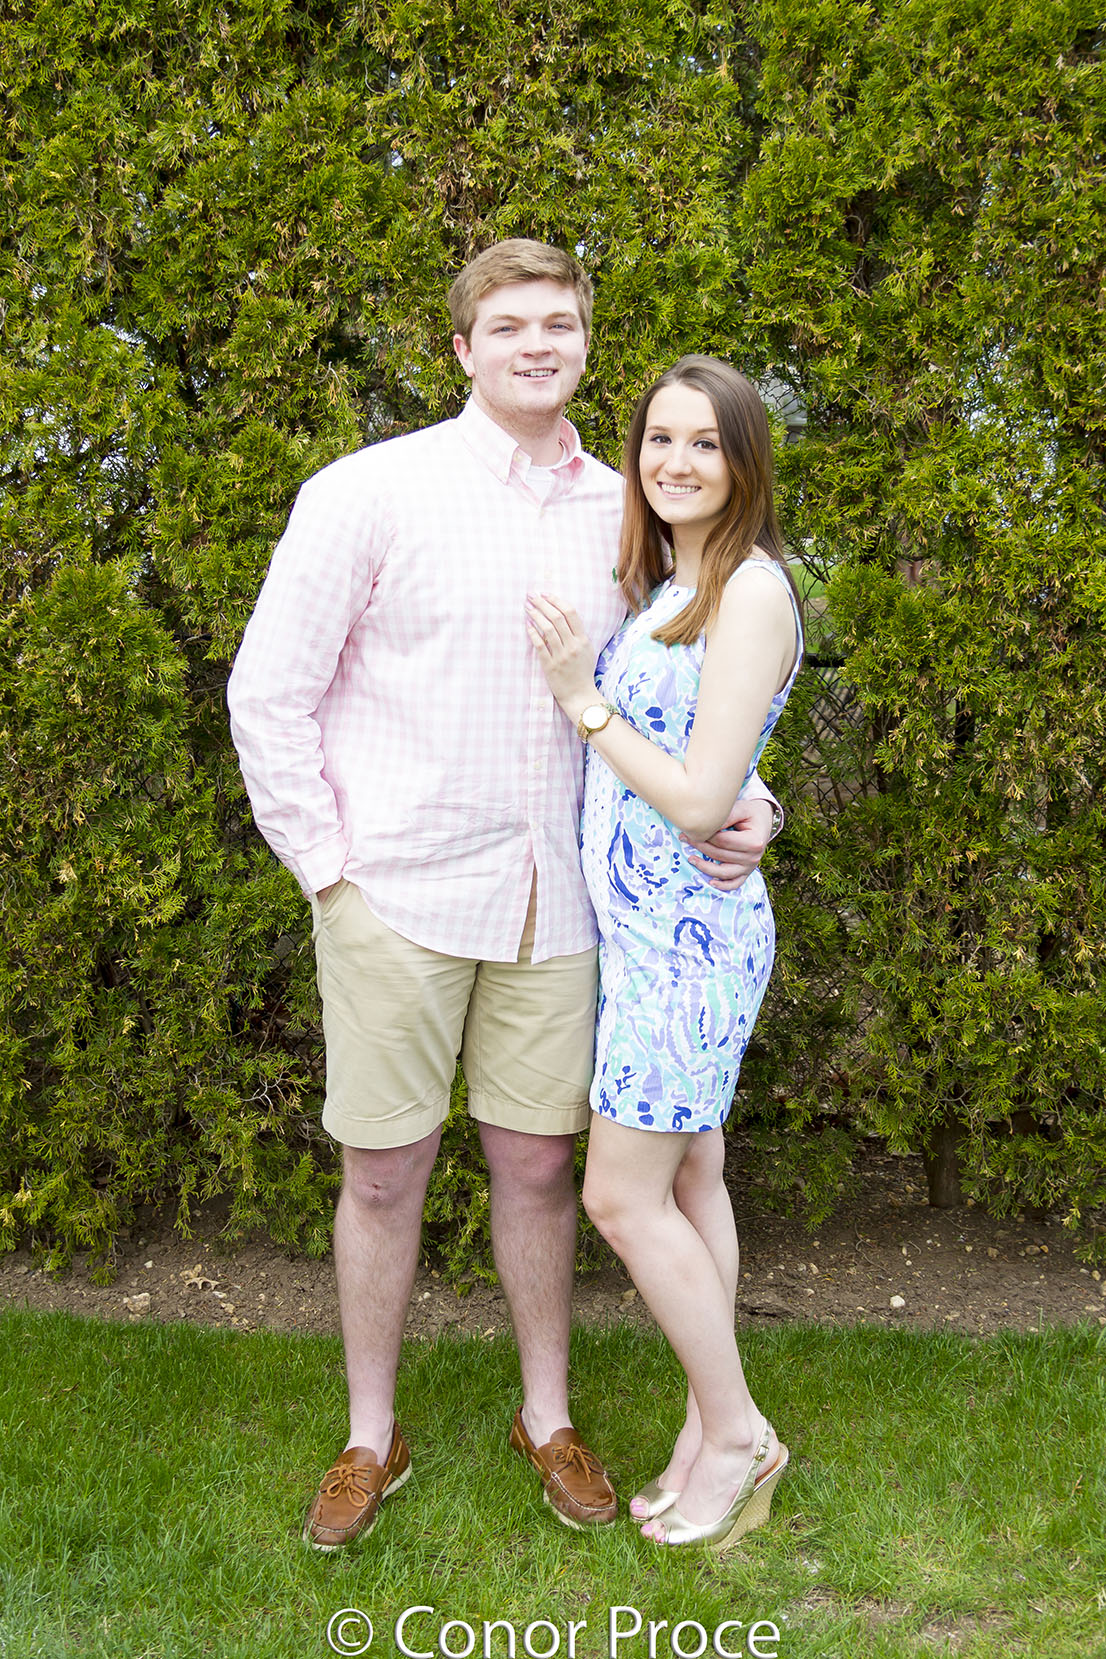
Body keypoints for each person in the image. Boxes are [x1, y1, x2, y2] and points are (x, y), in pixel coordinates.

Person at [227, 243, 778, 1551]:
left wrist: (752, 799)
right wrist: (328, 872)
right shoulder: (369, 492)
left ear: (585, 343)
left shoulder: (628, 510)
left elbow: (683, 683)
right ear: (462, 349)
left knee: (537, 1166)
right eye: (510, 324)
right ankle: (370, 1434)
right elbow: (267, 693)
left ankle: (548, 1416)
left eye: (560, 324)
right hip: (397, 894)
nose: (538, 343)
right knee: (382, 1172)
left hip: (567, 907)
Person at [526, 355, 801, 1550]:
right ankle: (703, 1425)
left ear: (743, 462)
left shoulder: (749, 591)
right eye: (658, 439)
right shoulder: (672, 583)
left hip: (689, 949)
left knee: (619, 1194)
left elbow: (696, 799)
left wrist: (579, 699)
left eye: (704, 443)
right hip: (644, 937)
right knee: (692, 1179)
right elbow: (724, 758)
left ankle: (738, 1437)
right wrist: (760, 800)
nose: (675, 462)